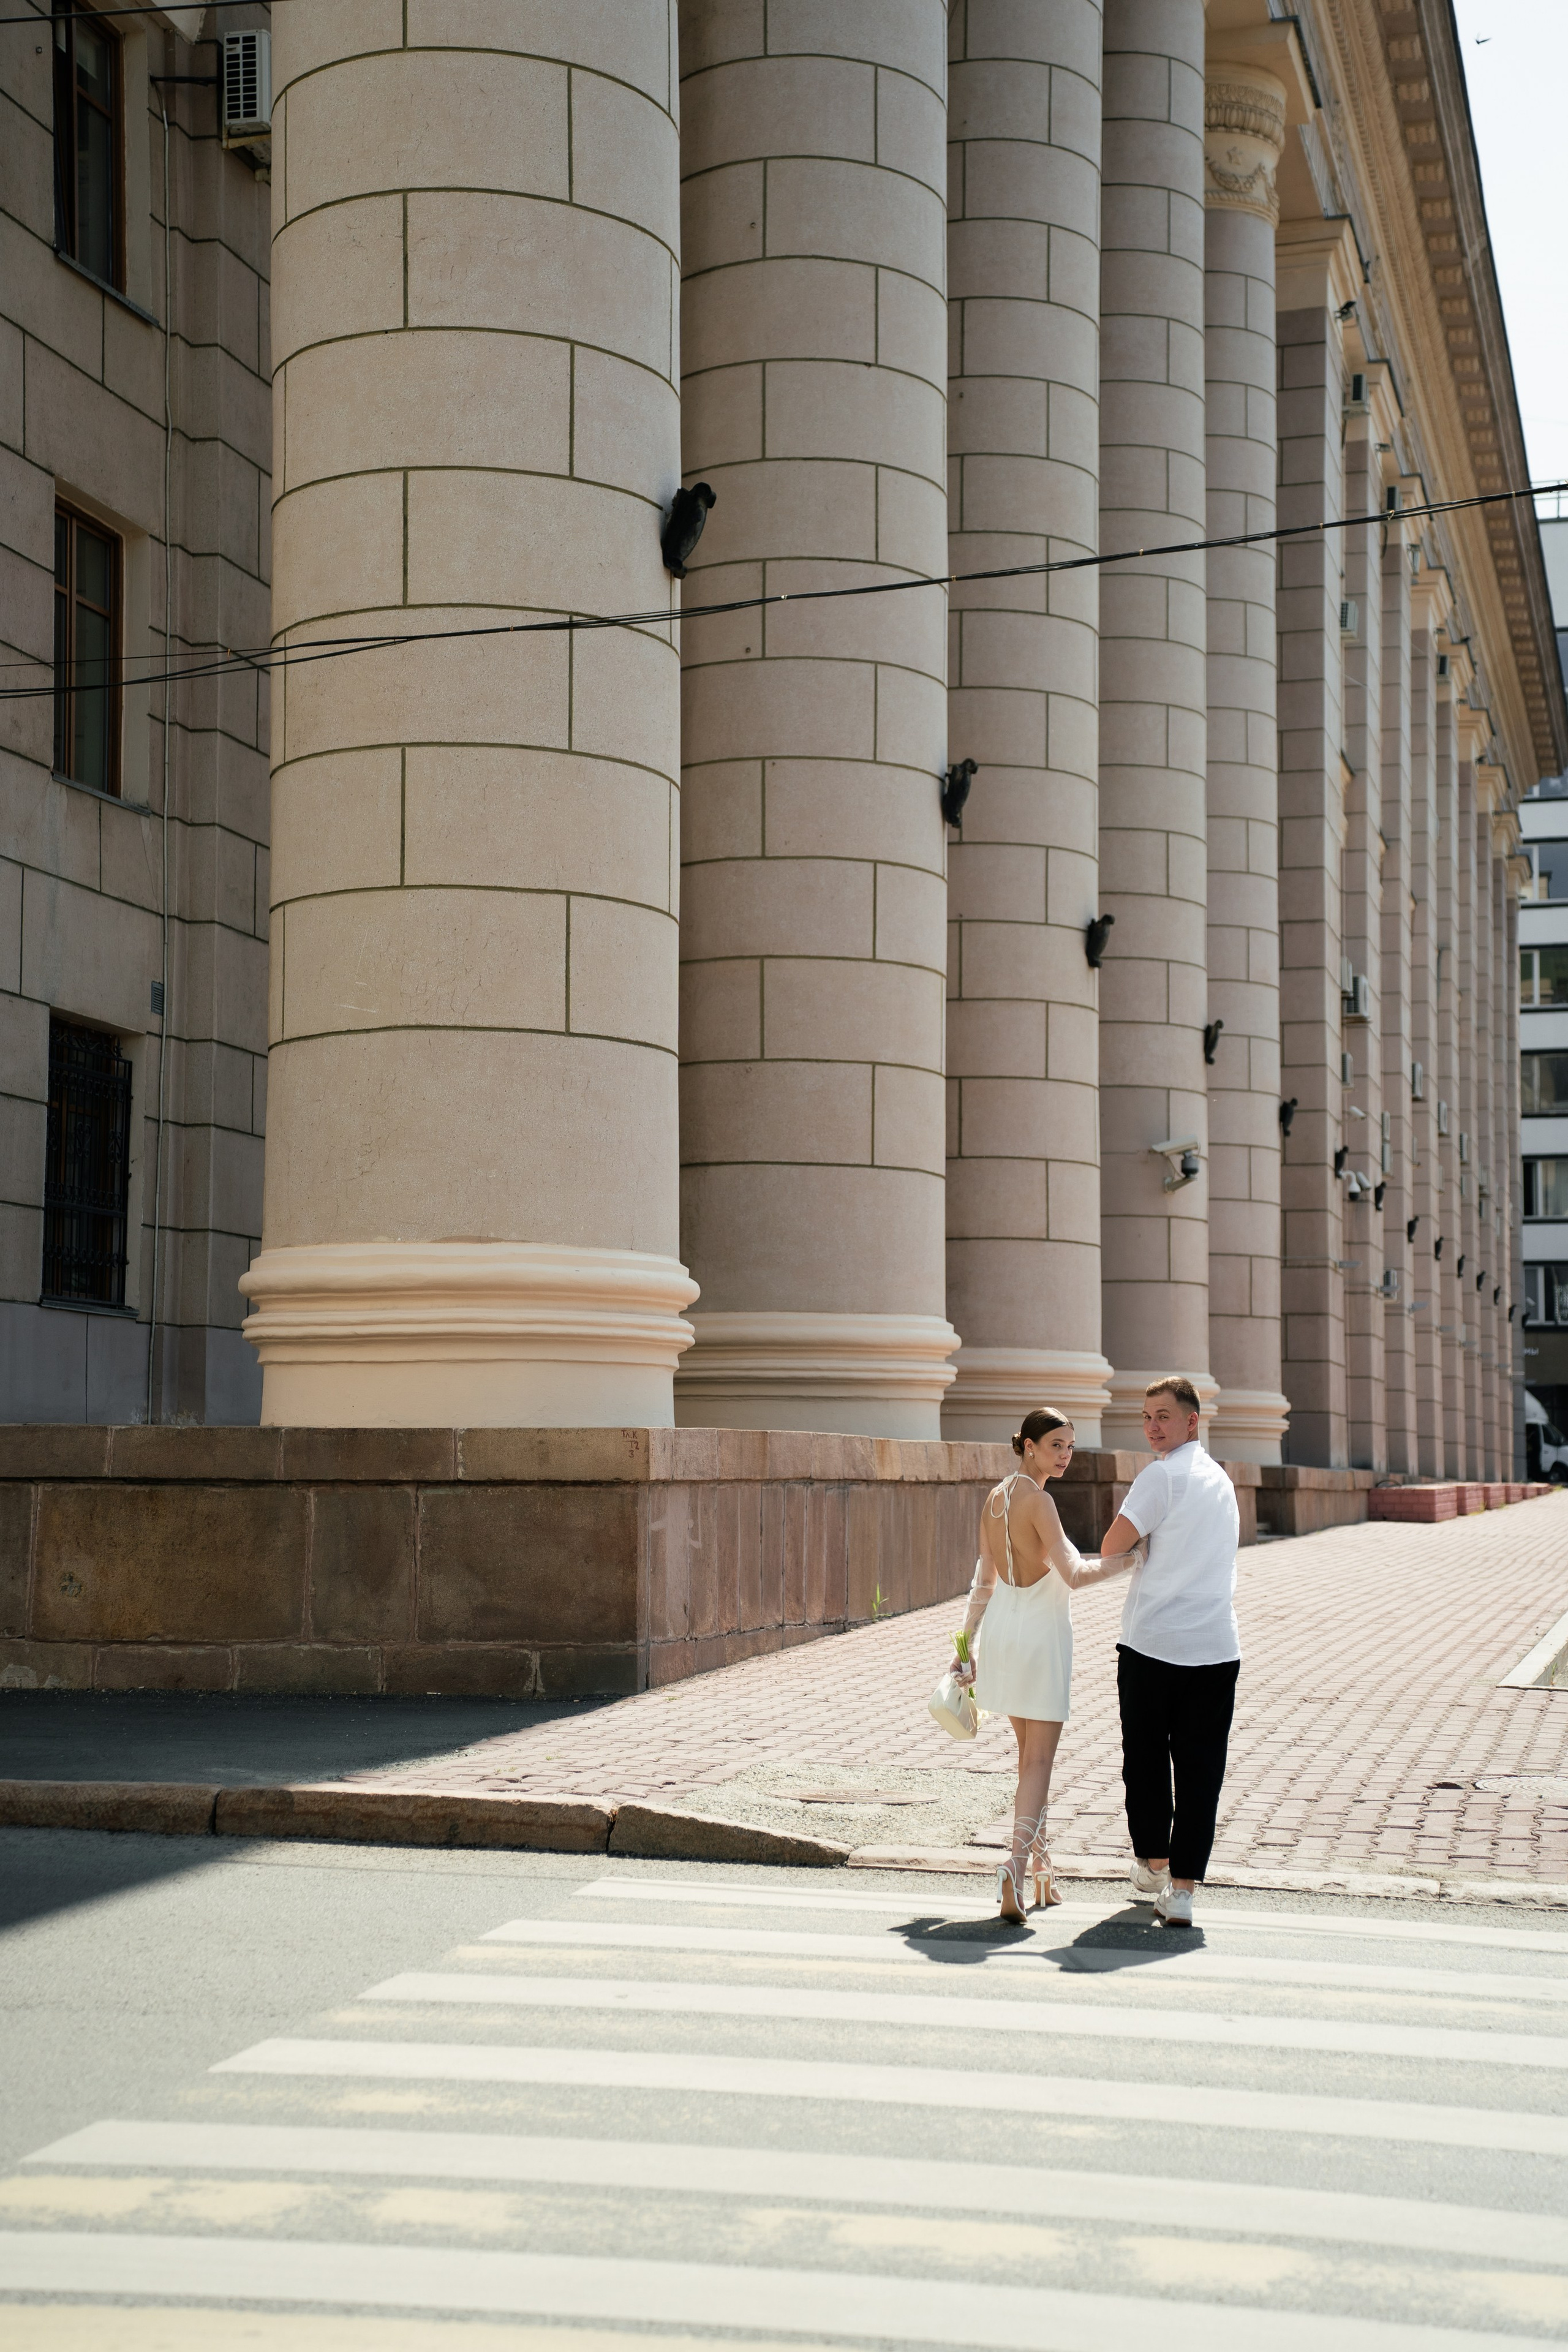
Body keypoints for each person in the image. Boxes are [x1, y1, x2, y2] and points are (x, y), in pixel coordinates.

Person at [951, 1406, 1144, 1923]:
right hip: (1040, 1640)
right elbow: (1075, 1575)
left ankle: (1042, 1872)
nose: (1064, 1455)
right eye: (1055, 1445)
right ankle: (1013, 1866)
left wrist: (966, 1647)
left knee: (1028, 1760)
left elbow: (983, 1582)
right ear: (1028, 1446)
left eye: (1069, 1447)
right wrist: (1133, 1560)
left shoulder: (994, 1499)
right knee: (1039, 1762)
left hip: (1001, 1639)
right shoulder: (1038, 1502)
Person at [1098, 1376, 1242, 1928]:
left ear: (1191, 1421)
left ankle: (1154, 1865)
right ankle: (1180, 1890)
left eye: (1163, 1415)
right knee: (1203, 1770)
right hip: (1216, 1646)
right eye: (1146, 1416)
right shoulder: (1221, 1481)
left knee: (1147, 1761)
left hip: (1154, 1643)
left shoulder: (1160, 1477)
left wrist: (1142, 1543)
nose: (1153, 1426)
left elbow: (1112, 1544)